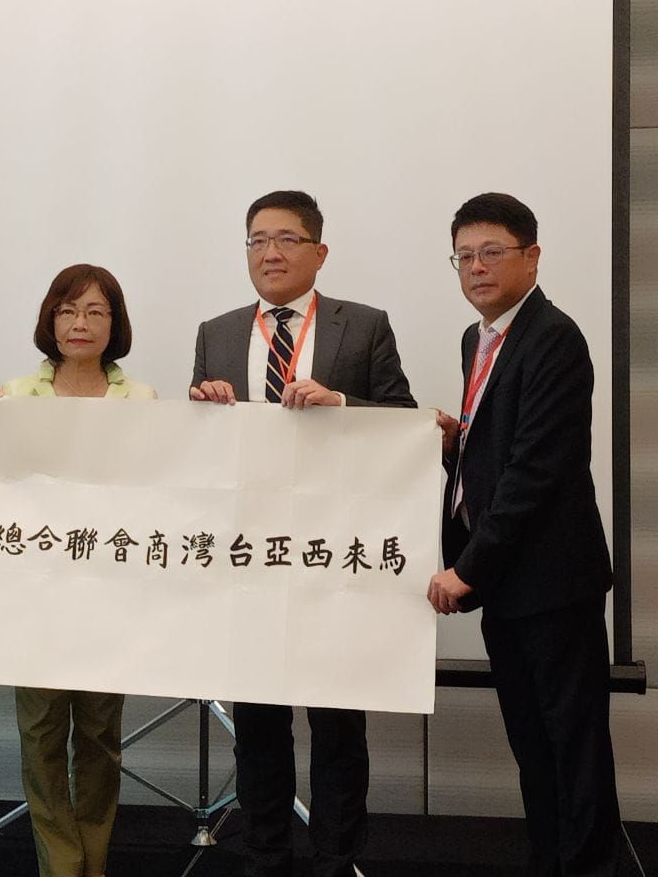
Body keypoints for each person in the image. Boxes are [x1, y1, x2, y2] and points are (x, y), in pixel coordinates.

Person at [189, 190, 415, 877]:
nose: (271, 253)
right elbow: (197, 458)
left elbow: (404, 423)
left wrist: (341, 404)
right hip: (251, 557)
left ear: (319, 252)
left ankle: (338, 856)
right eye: (257, 240)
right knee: (258, 724)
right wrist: (201, 410)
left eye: (287, 239)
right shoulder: (217, 332)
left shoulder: (365, 326)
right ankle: (266, 856)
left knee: (338, 723)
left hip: (334, 559)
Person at [428, 192, 621, 876]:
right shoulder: (478, 338)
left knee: (573, 748)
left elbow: (536, 471)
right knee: (534, 746)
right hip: (511, 585)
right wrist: (458, 442)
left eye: (492, 253)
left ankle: (589, 867)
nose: (476, 268)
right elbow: (500, 449)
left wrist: (468, 569)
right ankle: (552, 862)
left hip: (550, 583)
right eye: (464, 256)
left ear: (531, 257)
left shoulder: (552, 337)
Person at [0, 263, 155, 877]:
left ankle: (96, 857)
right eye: (67, 311)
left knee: (100, 741)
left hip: (109, 598)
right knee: (40, 738)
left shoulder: (141, 400)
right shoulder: (11, 396)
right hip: (34, 601)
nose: (80, 323)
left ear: (116, 324)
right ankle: (60, 863)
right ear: (49, 322)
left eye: (95, 311)